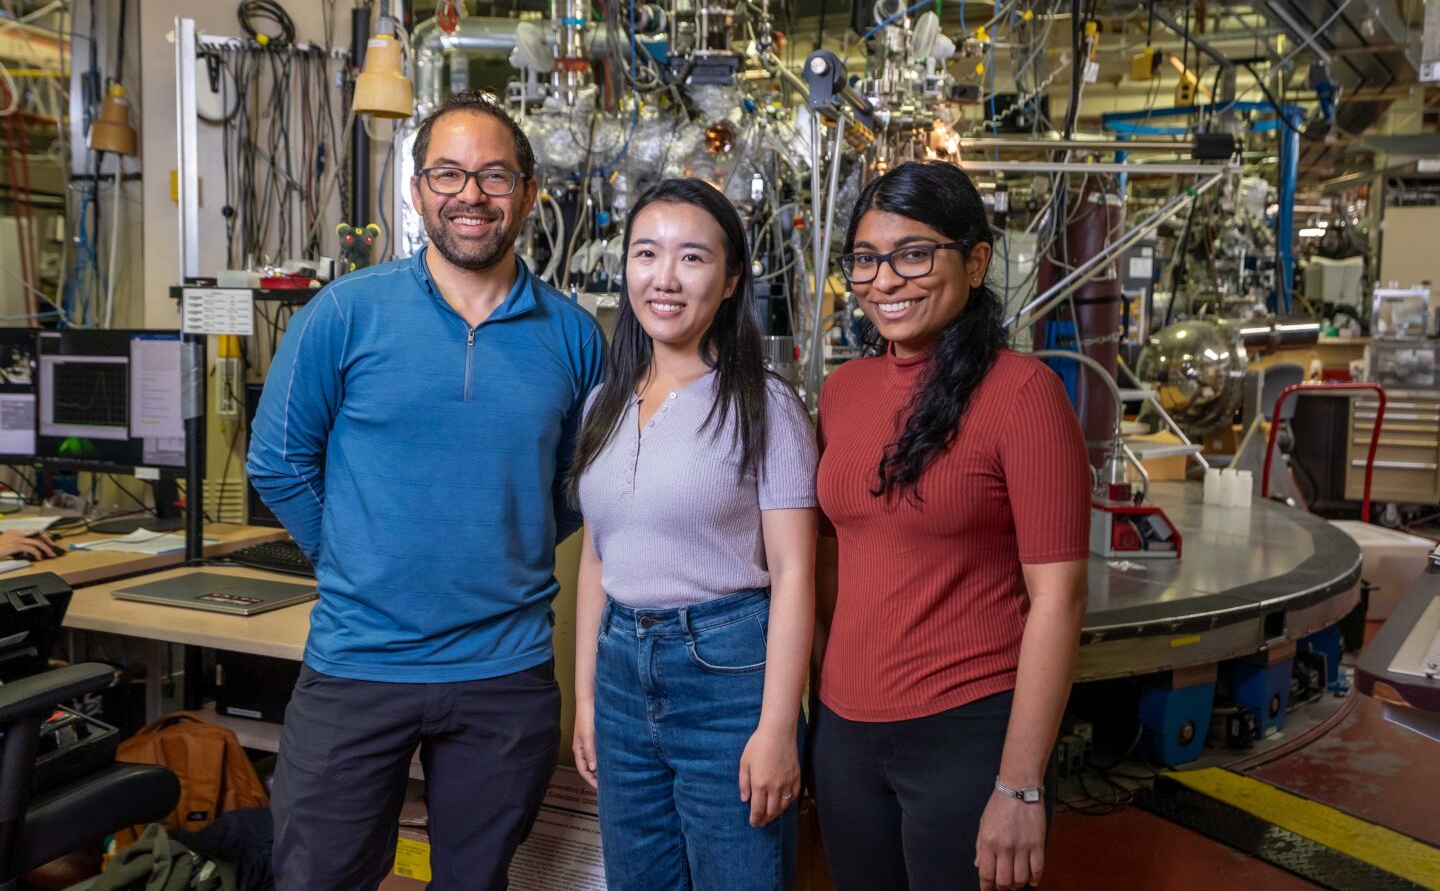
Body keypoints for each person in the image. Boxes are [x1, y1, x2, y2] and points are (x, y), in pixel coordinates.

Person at [246, 90, 605, 891]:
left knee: (475, 881)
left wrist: (504, 545)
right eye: (447, 173)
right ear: (416, 193)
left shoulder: (575, 335)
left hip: (503, 669)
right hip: (358, 661)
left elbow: (587, 482)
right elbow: (276, 459)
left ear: (528, 193)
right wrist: (349, 553)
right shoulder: (344, 313)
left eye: (493, 176)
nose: (470, 195)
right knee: (317, 878)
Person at [810, 160, 1091, 891]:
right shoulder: (843, 391)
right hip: (846, 734)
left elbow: (1059, 599)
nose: (885, 280)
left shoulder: (1024, 394)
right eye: (865, 260)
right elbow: (832, 553)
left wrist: (1021, 784)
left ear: (975, 260)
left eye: (912, 254)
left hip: (967, 734)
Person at [569, 179, 817, 891]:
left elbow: (796, 574)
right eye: (646, 254)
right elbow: (596, 558)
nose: (665, 279)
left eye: (693, 258)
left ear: (732, 278)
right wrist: (588, 699)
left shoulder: (765, 406)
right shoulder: (602, 404)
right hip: (620, 670)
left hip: (727, 675)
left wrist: (777, 728)